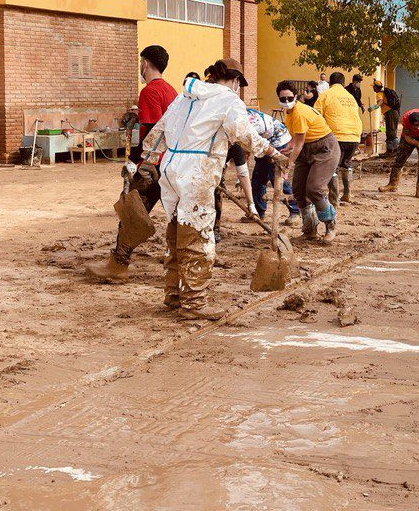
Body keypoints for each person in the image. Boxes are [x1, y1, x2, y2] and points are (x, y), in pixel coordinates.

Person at [136, 59, 290, 319]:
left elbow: (158, 132)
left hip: (171, 168)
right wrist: (272, 152)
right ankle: (194, 302)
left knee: (176, 231)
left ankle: (173, 292)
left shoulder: (186, 96)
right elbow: (244, 134)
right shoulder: (229, 100)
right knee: (198, 234)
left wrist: (149, 159)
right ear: (235, 80)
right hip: (197, 170)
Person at [86, 45, 178, 282]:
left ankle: (118, 264)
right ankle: (176, 267)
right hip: (170, 165)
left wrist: (133, 161)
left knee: (132, 212)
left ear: (145, 64)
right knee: (176, 217)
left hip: (150, 165)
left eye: (141, 63)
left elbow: (149, 131)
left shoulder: (149, 92)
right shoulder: (172, 91)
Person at [277, 80, 340, 242]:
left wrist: (289, 163)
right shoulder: (288, 112)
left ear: (296, 97)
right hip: (306, 150)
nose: (286, 102)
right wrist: (288, 147)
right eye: (283, 99)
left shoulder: (299, 112)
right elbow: (297, 137)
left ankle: (330, 224)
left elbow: (299, 143)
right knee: (298, 189)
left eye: (289, 98)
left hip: (324, 149)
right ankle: (310, 229)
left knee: (314, 188)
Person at [314, 71, 363, 205]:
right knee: (346, 164)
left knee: (332, 167)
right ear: (342, 83)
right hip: (354, 136)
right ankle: (347, 194)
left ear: (330, 83)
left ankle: (333, 199)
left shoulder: (325, 95)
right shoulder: (350, 97)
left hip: (337, 136)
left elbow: (316, 116)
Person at [247, 108, 300, 223]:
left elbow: (250, 143)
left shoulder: (247, 123)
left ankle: (295, 211)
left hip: (279, 141)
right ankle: (259, 212)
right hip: (264, 142)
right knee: (258, 179)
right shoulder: (237, 116)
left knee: (278, 179)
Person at [372, 80, 402, 153]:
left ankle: (395, 150)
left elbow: (380, 102)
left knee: (390, 131)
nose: (373, 88)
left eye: (373, 87)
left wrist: (373, 107)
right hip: (395, 112)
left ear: (376, 87)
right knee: (392, 131)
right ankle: (390, 150)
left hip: (390, 112)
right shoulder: (385, 93)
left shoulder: (379, 93)